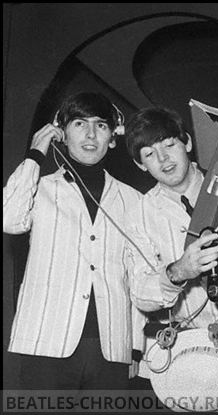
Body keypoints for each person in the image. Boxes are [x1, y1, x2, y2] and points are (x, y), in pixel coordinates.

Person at [3, 92, 144, 391]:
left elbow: (137, 277)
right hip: (47, 343)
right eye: (80, 123)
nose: (91, 134)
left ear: (113, 137)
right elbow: (9, 220)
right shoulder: (39, 187)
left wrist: (135, 346)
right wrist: (35, 155)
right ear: (62, 133)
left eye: (101, 125)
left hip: (111, 349)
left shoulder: (132, 200)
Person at [123, 106, 218, 403]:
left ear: (187, 143)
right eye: (149, 154)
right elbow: (141, 293)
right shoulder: (139, 214)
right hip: (195, 350)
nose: (163, 159)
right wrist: (178, 272)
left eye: (169, 145)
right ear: (141, 165)